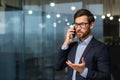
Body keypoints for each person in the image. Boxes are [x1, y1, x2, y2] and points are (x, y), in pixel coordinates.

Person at [55, 9, 111, 80]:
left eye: (82, 24)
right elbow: (58, 66)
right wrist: (66, 42)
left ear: (91, 25)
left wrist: (84, 71)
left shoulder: (101, 48)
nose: (78, 28)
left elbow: (105, 77)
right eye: (76, 24)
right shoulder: (72, 46)